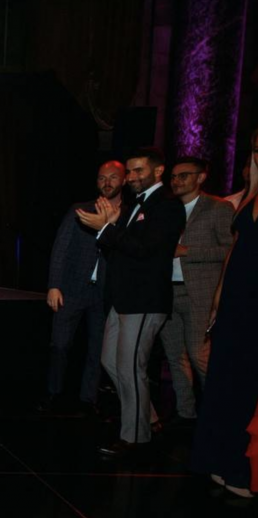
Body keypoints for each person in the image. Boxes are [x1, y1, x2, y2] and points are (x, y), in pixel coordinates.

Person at [76, 147, 184, 458]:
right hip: (122, 299)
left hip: (144, 299)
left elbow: (145, 249)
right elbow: (119, 250)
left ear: (158, 171)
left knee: (130, 367)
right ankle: (147, 418)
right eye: (131, 171)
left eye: (138, 171)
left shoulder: (167, 204)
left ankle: (136, 438)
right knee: (111, 361)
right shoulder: (136, 204)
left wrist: (107, 228)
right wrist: (109, 226)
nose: (132, 176)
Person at [191, 129, 258, 499]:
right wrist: (218, 293)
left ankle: (239, 469)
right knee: (223, 380)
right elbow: (236, 248)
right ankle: (218, 459)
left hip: (254, 302)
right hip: (234, 299)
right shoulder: (250, 198)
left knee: (246, 383)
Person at [40, 161, 126, 415]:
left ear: (123, 180)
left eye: (112, 177)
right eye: (101, 178)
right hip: (72, 289)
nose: (106, 182)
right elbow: (61, 249)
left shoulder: (130, 215)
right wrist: (54, 285)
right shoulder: (79, 210)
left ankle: (89, 399)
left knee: (98, 349)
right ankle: (52, 393)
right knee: (60, 345)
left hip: (106, 293)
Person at [158, 157, 234, 426]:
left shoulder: (218, 208)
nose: (176, 181)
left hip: (199, 293)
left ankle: (221, 413)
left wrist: (187, 252)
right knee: (175, 357)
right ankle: (186, 414)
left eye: (184, 175)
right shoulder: (167, 209)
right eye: (174, 176)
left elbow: (230, 251)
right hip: (168, 292)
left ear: (201, 177)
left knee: (199, 356)